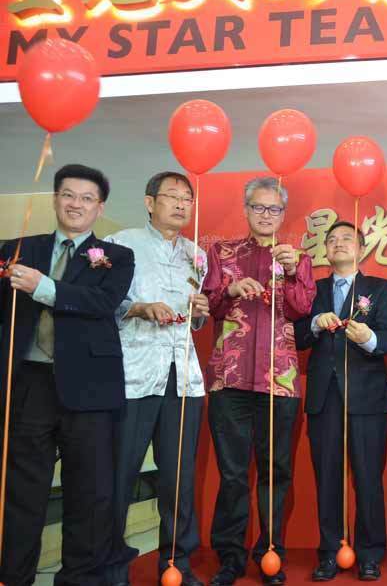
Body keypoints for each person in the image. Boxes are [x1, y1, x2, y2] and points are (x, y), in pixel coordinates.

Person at [0, 164, 135, 586]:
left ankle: (79, 579)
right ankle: (13, 576)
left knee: (89, 493)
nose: (76, 204)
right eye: (68, 195)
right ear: (55, 199)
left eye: (86, 198)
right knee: (23, 490)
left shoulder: (116, 257)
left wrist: (42, 286)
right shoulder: (17, 248)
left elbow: (101, 302)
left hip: (90, 390)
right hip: (29, 384)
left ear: (99, 208)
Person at [202, 177, 315, 586]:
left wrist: (288, 272)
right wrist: (230, 288)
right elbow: (209, 307)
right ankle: (229, 558)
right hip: (229, 380)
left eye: (275, 209)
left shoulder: (297, 257)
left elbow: (303, 310)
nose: (267, 215)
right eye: (259, 207)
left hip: (280, 382)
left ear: (283, 214)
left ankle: (271, 553)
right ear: (247, 209)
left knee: (276, 472)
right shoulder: (222, 252)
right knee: (232, 474)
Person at [104, 171, 210, 586]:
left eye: (187, 198)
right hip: (133, 377)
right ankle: (111, 568)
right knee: (120, 475)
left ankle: (176, 566)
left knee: (178, 479)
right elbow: (104, 304)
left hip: (182, 379)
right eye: (172, 196)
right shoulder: (121, 244)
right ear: (150, 202)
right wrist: (139, 307)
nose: (182, 204)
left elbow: (194, 322)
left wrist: (199, 311)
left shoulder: (196, 255)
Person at [295, 221, 387, 582]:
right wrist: (314, 325)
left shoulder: (380, 289)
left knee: (369, 479)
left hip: (368, 398)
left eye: (346, 239)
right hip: (325, 398)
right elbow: (297, 337)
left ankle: (370, 554)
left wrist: (369, 337)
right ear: (325, 249)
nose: (338, 244)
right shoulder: (314, 289)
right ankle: (330, 552)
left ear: (362, 247)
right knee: (328, 479)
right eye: (332, 240)